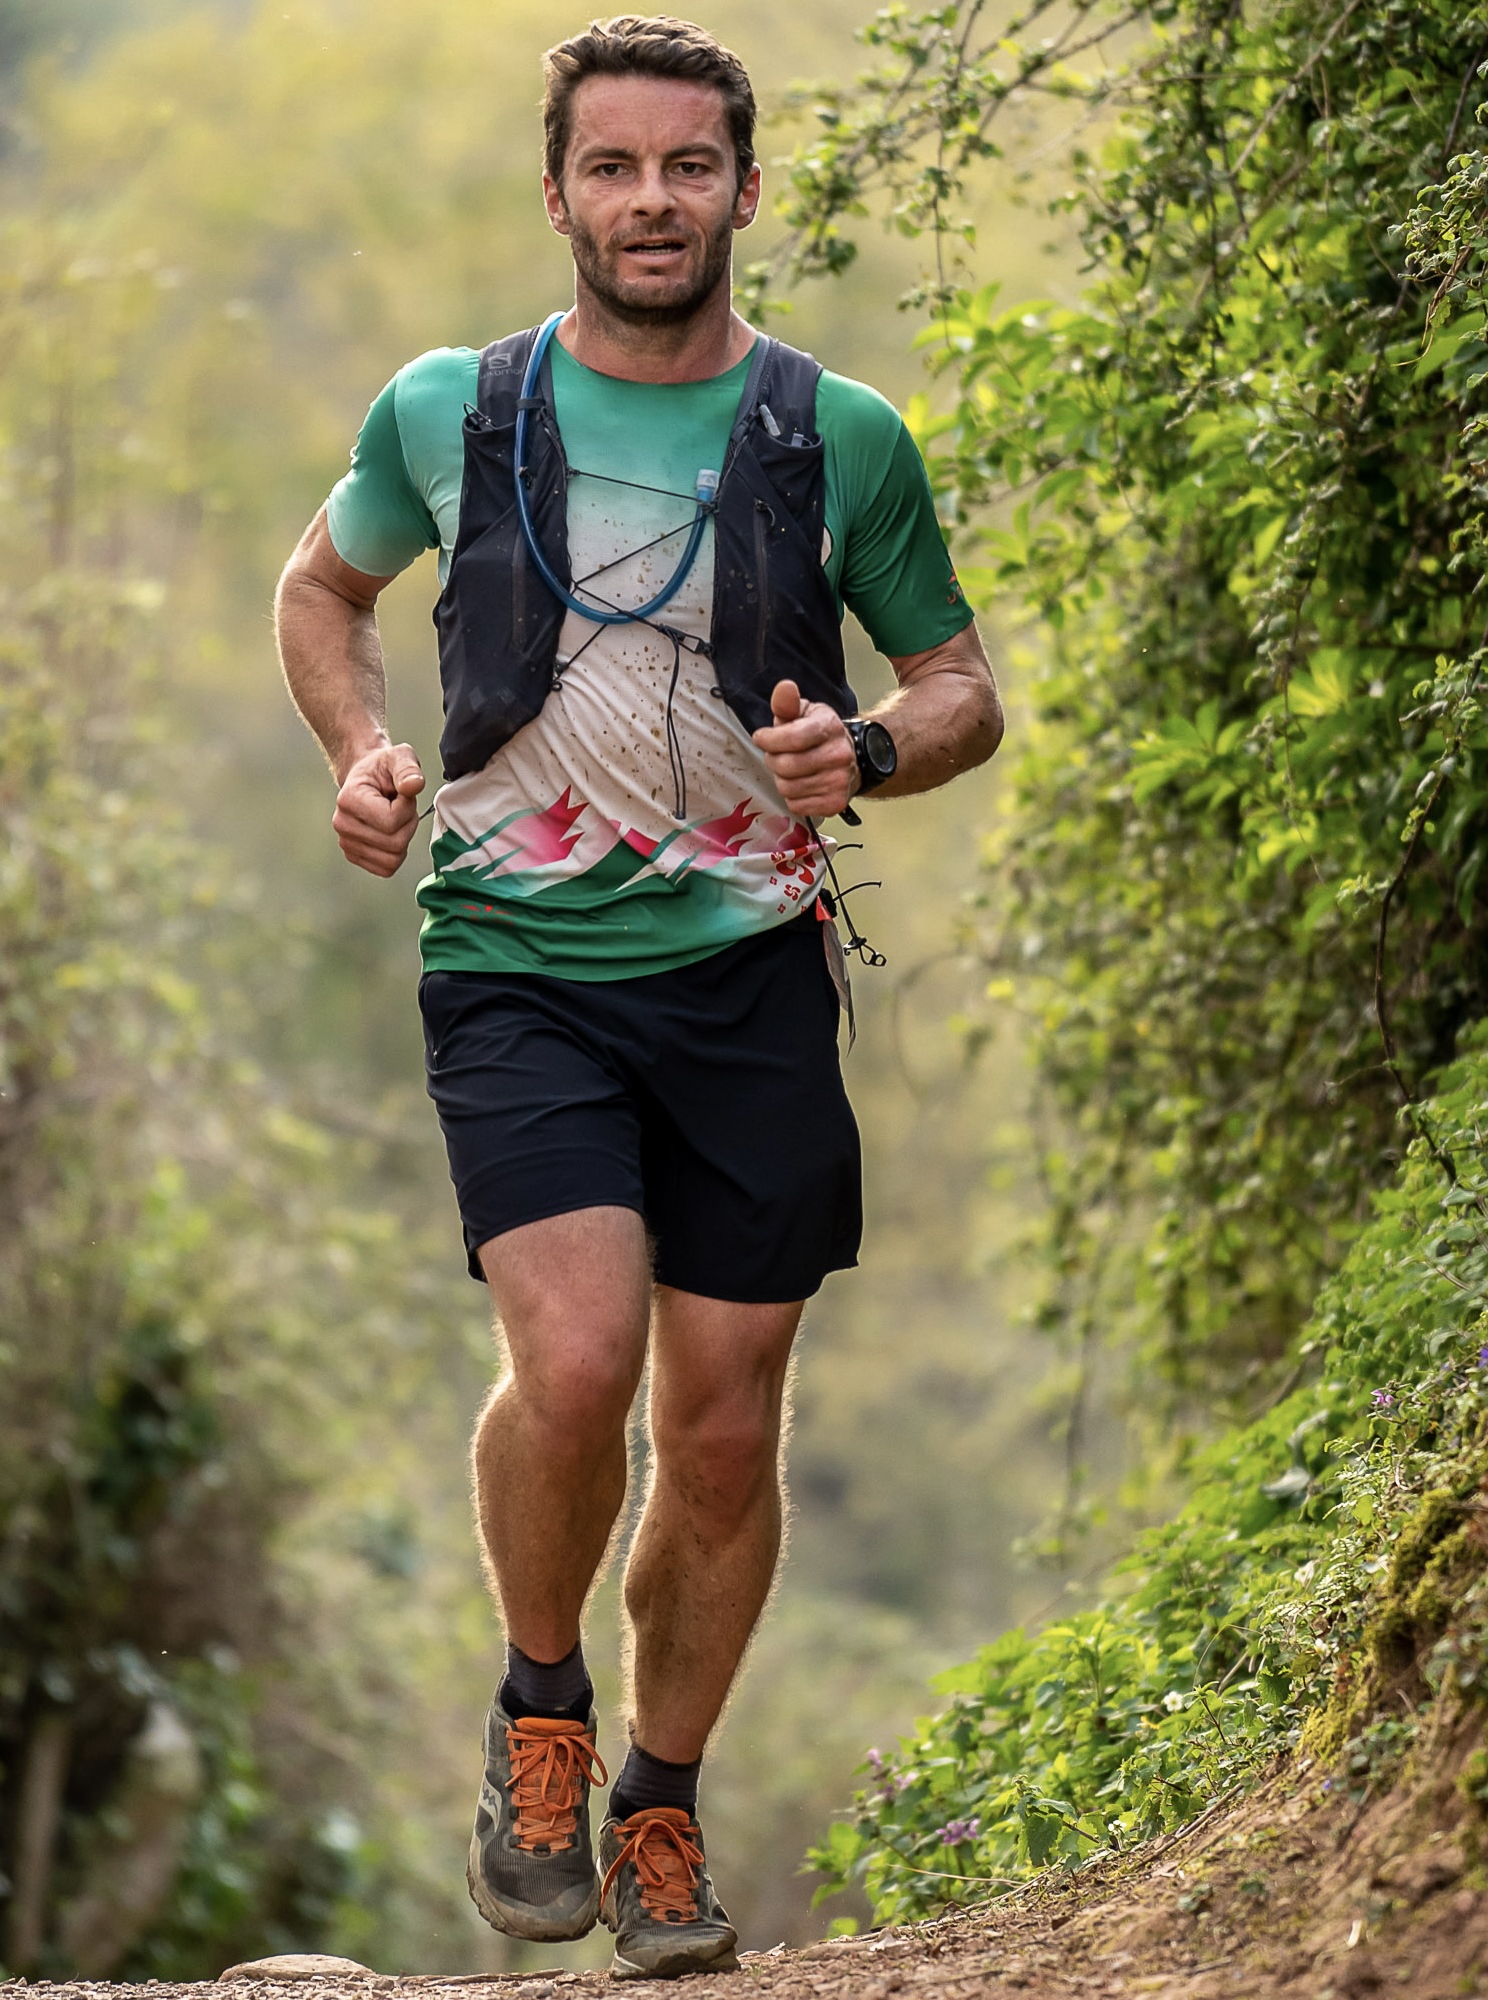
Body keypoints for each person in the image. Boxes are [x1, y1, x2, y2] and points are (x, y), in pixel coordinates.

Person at [273, 14, 1001, 1978]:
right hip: (515, 966)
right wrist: (357, 754)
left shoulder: (835, 434)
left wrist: (874, 747)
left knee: (728, 1426)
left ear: (745, 190)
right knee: (580, 1360)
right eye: (614, 167)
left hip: (748, 976)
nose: (652, 200)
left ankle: (661, 1802)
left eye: (688, 166)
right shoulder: (451, 409)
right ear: (558, 195)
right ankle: (542, 1711)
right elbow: (321, 591)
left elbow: (960, 687)